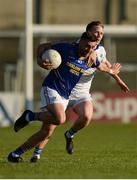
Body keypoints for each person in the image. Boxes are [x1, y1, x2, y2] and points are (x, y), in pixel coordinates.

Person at [7, 31, 116, 163]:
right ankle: (30, 116)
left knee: (46, 132)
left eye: (93, 47)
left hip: (65, 95)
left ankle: (15, 154)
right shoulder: (65, 48)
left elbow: (101, 66)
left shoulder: (91, 57)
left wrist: (112, 72)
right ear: (80, 41)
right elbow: (42, 46)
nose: (89, 50)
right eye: (87, 46)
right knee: (60, 119)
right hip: (51, 88)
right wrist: (40, 61)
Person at [29, 21, 130, 162]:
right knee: (50, 127)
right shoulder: (76, 46)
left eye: (101, 33)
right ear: (87, 33)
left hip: (81, 93)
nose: (99, 35)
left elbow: (106, 65)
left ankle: (69, 134)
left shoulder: (100, 51)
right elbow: (47, 47)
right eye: (96, 32)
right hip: (62, 90)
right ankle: (37, 153)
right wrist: (41, 60)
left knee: (87, 116)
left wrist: (118, 80)